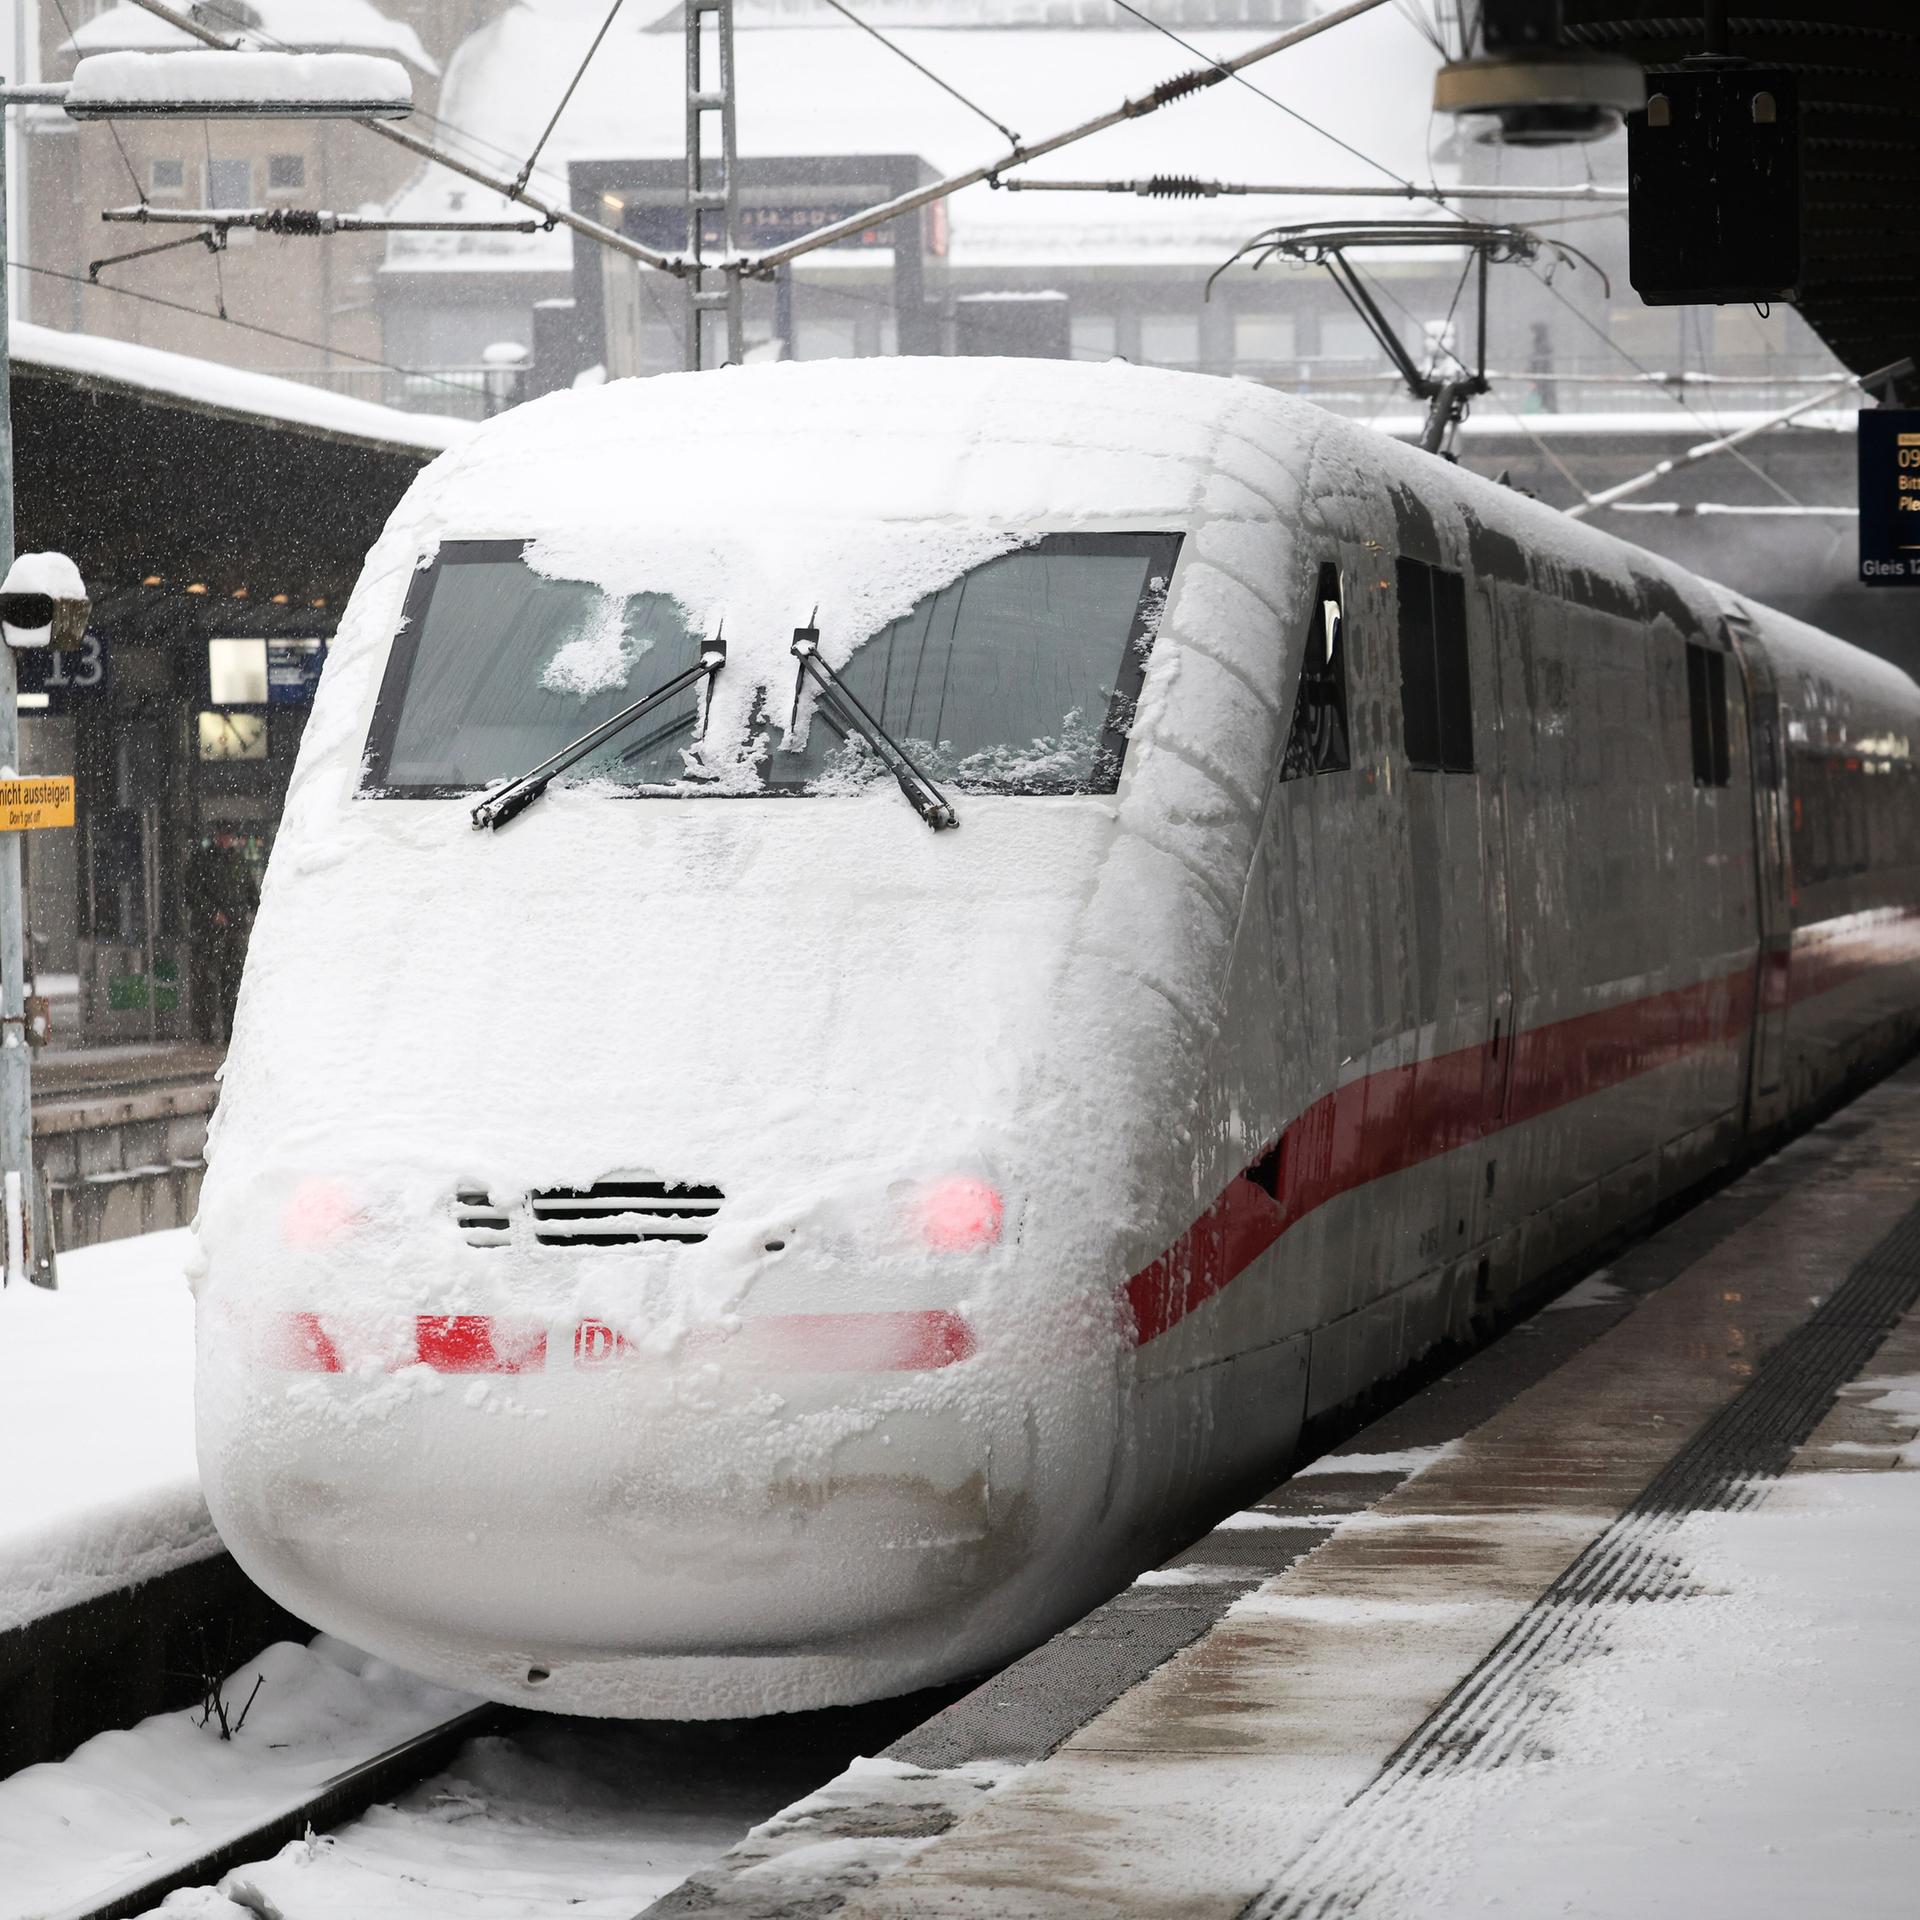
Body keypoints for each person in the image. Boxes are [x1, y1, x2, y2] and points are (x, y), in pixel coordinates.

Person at [185, 831, 257, 1045]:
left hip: (234, 931)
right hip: (208, 932)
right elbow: (192, 893)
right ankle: (205, 1031)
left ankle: (229, 1031)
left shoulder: (238, 862)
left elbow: (251, 892)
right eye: (224, 836)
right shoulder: (203, 861)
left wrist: (255, 913)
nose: (228, 840)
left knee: (232, 982)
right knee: (206, 981)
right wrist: (211, 913)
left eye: (230, 836)